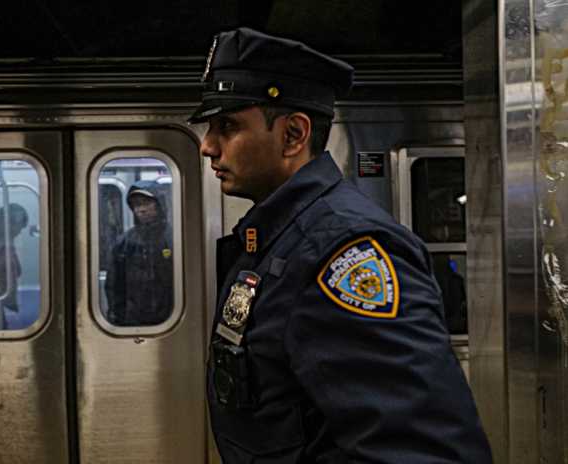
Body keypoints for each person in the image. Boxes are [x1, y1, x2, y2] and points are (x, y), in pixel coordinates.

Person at [189, 28, 492, 463]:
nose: (207, 147)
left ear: (293, 135)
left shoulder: (341, 251)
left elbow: (422, 450)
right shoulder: (276, 238)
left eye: (228, 126)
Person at [105, 180, 173, 326]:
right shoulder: (124, 243)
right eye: (136, 205)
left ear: (159, 204)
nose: (141, 209)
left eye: (146, 203)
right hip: (132, 321)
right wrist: (117, 318)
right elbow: (114, 285)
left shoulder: (173, 238)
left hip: (170, 319)